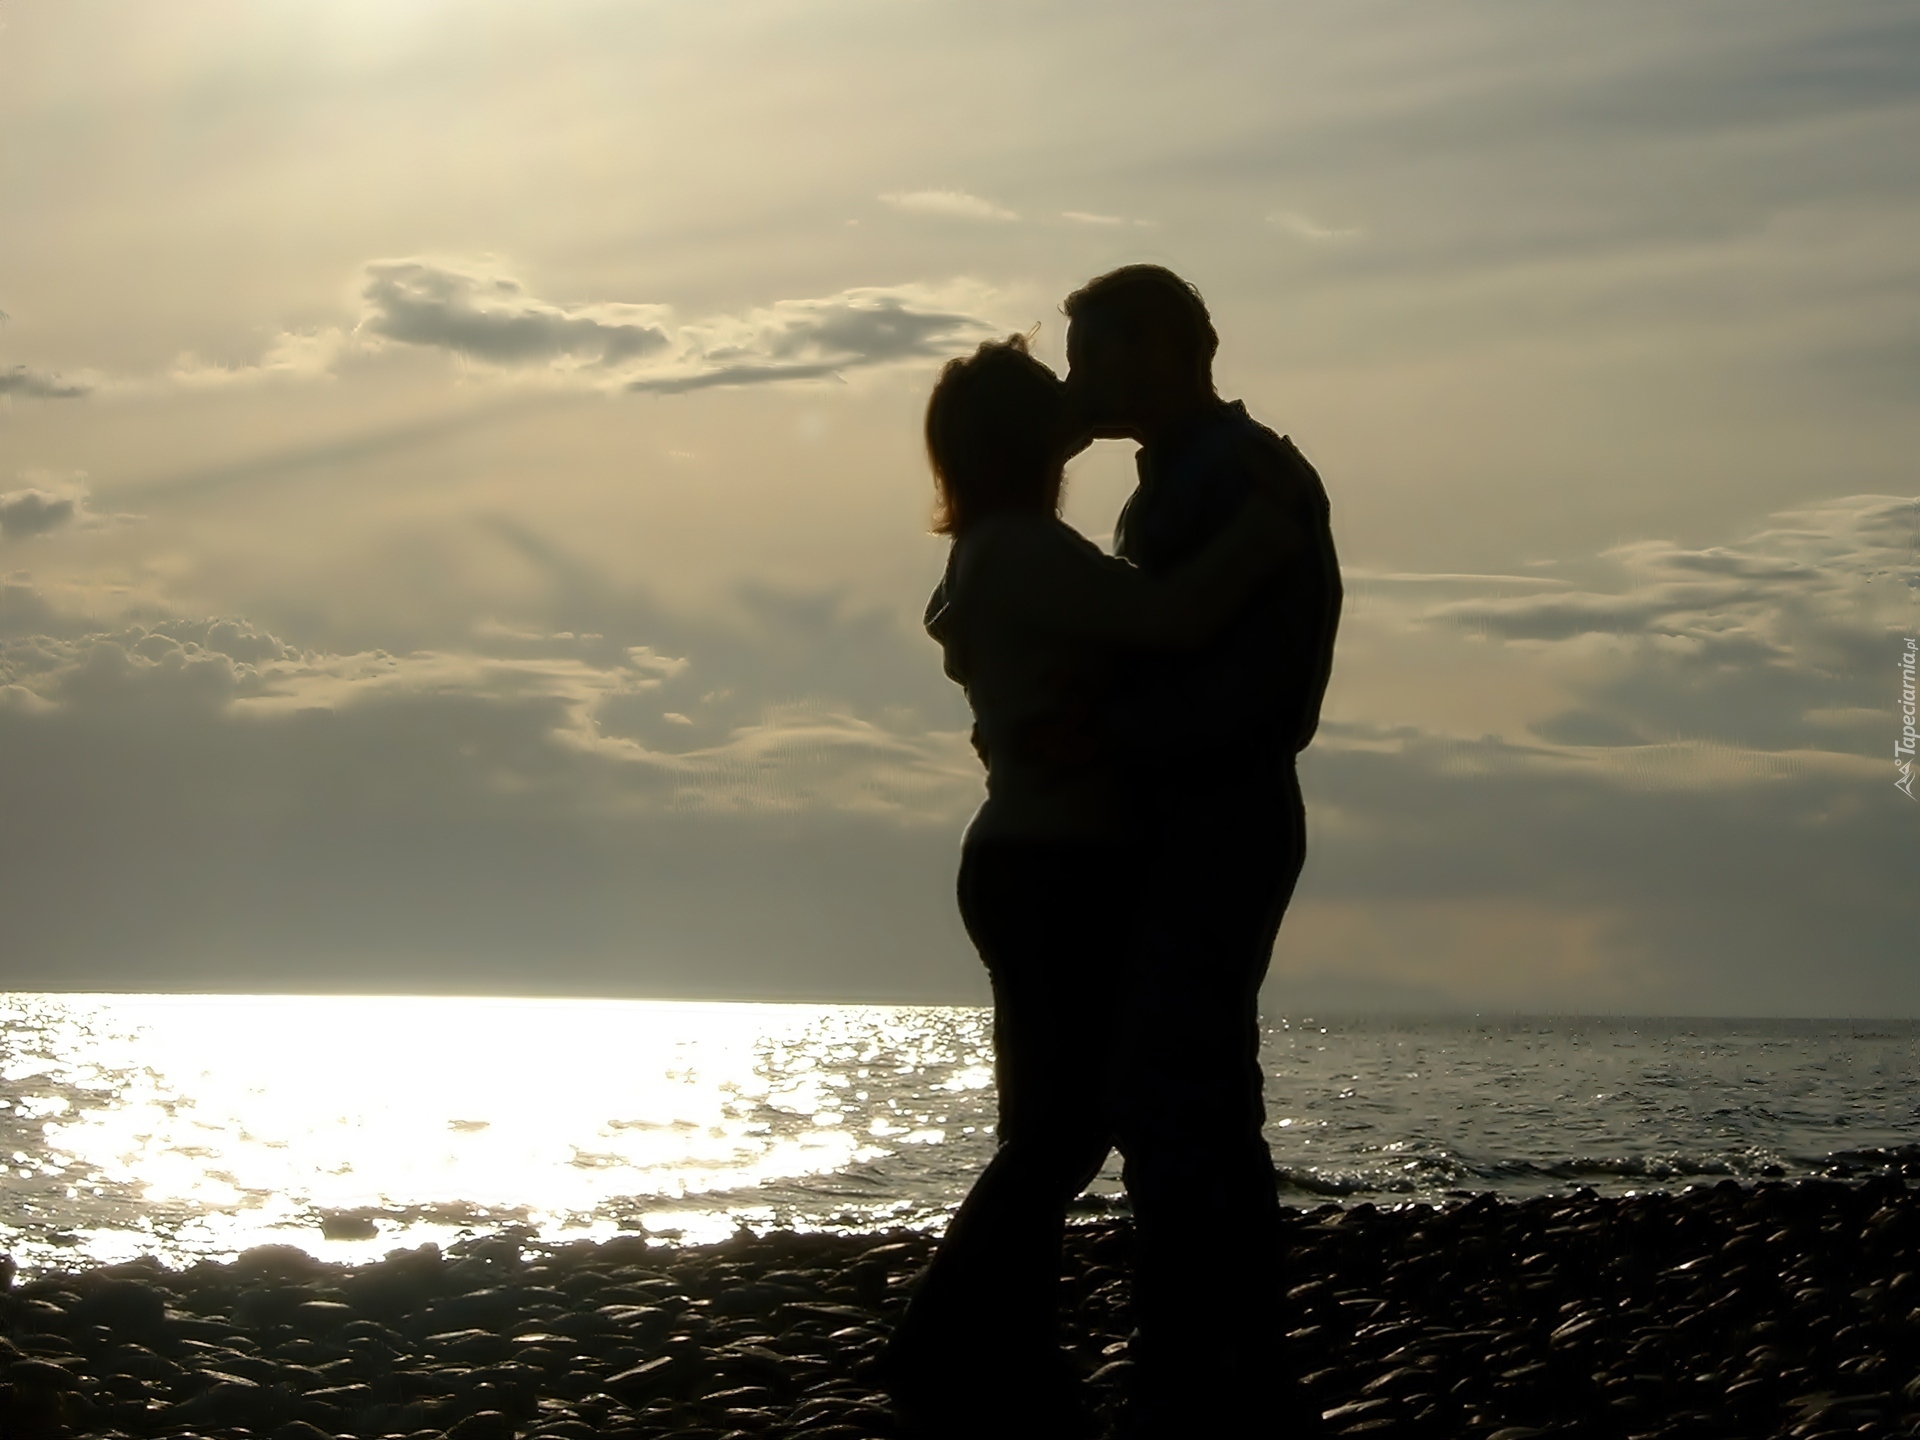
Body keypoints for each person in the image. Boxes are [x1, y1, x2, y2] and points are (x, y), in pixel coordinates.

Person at [875, 333, 1306, 1439]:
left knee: (1046, 1121)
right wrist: (1266, 532)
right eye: (1053, 400)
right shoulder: (1022, 549)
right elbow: (1170, 619)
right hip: (1057, 861)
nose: (1077, 405)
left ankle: (1007, 1350)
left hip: (1030, 856)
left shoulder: (994, 549)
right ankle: (943, 1340)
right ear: (1026, 441)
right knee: (1063, 1132)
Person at [1064, 264, 1342, 1438]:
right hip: (1211, 803)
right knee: (1193, 1085)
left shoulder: (1232, 475)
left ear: (1168, 352)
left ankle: (1205, 1359)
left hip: (1217, 807)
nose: (1079, 382)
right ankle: (1216, 1352)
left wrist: (1111, 733)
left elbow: (1252, 676)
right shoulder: (1208, 471)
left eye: (1096, 357)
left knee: (1180, 1084)